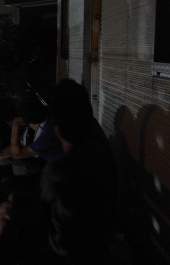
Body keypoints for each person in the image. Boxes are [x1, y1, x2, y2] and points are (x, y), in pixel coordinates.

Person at [41, 78, 117, 264]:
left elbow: (46, 214)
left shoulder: (60, 170)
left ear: (56, 126)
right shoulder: (97, 143)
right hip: (101, 248)